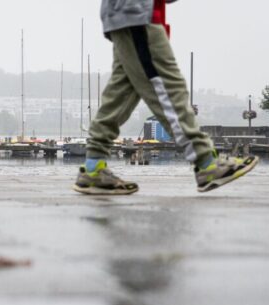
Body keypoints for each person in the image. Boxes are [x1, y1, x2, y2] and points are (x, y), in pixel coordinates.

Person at [74, 0, 259, 195]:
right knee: (169, 89)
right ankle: (206, 163)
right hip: (137, 13)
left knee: (120, 96)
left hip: (130, 14)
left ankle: (93, 168)